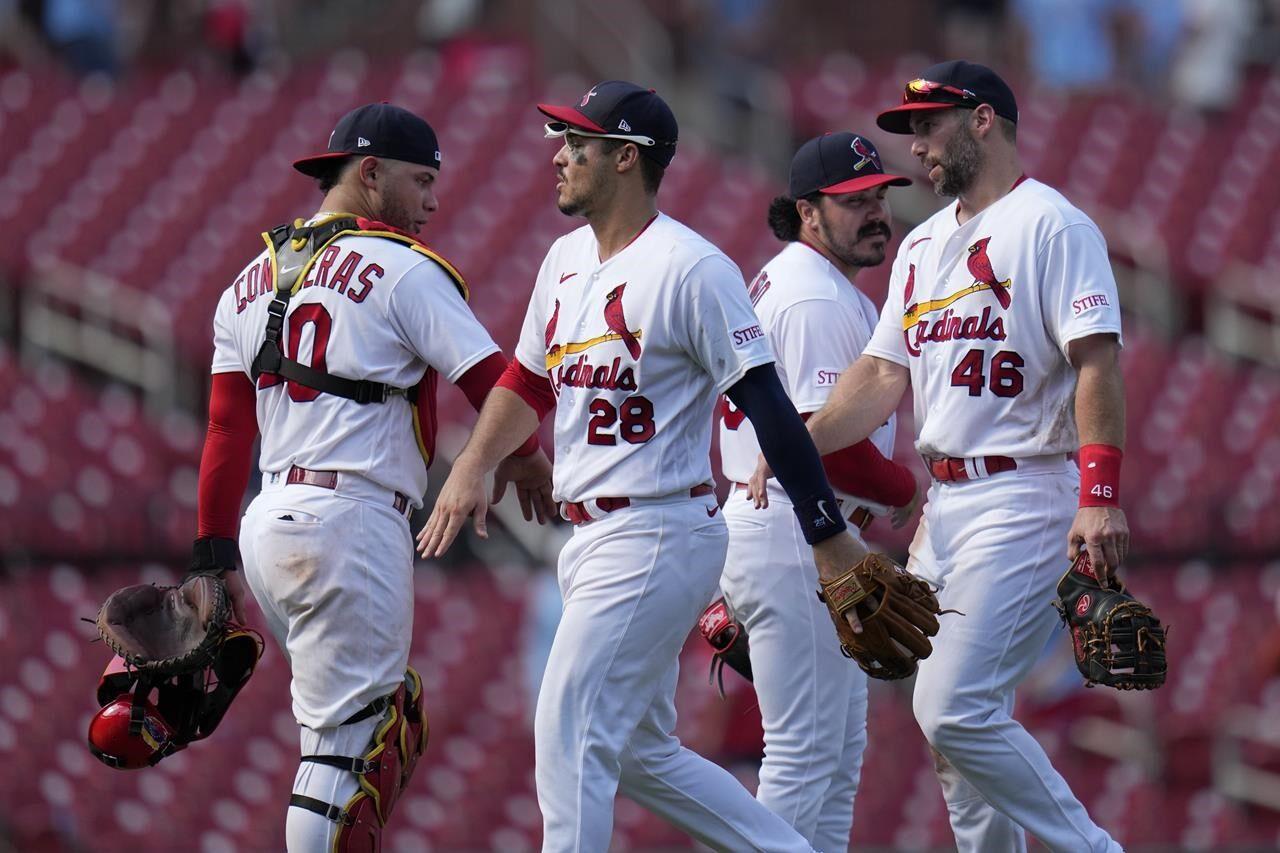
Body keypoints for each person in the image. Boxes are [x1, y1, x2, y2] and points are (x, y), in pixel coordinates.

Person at [418, 80, 869, 852]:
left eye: (578, 145)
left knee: (568, 728)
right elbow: (528, 382)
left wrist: (826, 533)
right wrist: (474, 462)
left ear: (626, 158)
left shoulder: (693, 267)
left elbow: (767, 403)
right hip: (590, 535)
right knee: (637, 750)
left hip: (659, 523)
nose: (559, 156)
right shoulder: (563, 259)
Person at [752, 60, 1128, 852]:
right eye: (912, 130)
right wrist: (797, 440)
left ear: (983, 120)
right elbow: (885, 373)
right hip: (947, 505)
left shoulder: (1051, 225)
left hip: (1025, 488)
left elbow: (1096, 361)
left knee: (953, 706)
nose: (916, 144)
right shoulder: (923, 245)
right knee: (956, 733)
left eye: (929, 125)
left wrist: (1101, 492)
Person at [191, 102, 555, 851]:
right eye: (421, 180)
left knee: (359, 732)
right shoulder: (401, 267)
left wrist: (211, 555)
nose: (432, 200)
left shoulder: (245, 280)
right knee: (342, 753)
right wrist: (527, 459)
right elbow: (496, 380)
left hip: (269, 520)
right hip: (349, 522)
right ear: (368, 173)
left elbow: (227, 428)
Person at [716, 131, 920, 850]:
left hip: (799, 532)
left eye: (879, 198)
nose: (874, 212)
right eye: (852, 201)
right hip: (795, 530)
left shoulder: (806, 282)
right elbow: (808, 441)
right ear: (808, 211)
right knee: (807, 757)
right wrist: (905, 485)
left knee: (835, 761)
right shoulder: (810, 295)